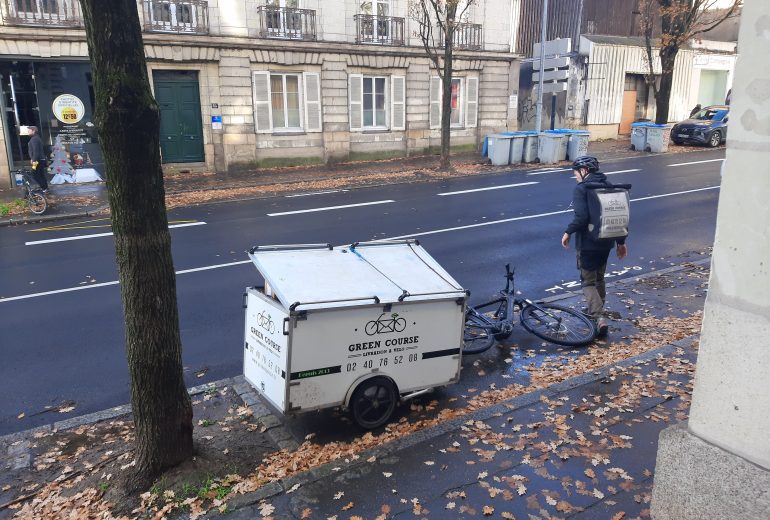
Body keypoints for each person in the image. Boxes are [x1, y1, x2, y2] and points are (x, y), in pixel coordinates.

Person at [561, 156, 627, 337]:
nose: (575, 176)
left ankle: (598, 317)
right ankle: (596, 310)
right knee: (599, 278)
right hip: (607, 241)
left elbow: (581, 218)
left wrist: (568, 232)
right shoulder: (609, 185)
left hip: (588, 244)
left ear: (584, 171)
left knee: (587, 281)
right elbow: (618, 215)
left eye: (575, 173)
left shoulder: (582, 189)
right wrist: (621, 242)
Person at [27, 126, 48, 192]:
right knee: (41, 174)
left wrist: (33, 160)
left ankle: (44, 188)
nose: (28, 132)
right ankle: (45, 188)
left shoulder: (34, 139)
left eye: (29, 130)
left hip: (37, 161)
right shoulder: (37, 138)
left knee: (34, 174)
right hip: (40, 159)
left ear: (33, 131)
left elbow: (36, 151)